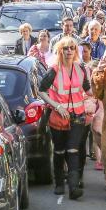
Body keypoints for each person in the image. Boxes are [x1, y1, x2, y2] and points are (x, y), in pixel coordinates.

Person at [38, 37, 92, 200]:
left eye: (72, 48)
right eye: (66, 48)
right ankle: (59, 183)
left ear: (76, 51)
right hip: (58, 117)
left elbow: (89, 91)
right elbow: (41, 90)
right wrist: (57, 106)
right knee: (59, 150)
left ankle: (74, 187)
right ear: (60, 51)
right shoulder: (54, 69)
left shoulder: (80, 68)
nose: (69, 51)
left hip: (78, 116)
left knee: (73, 149)